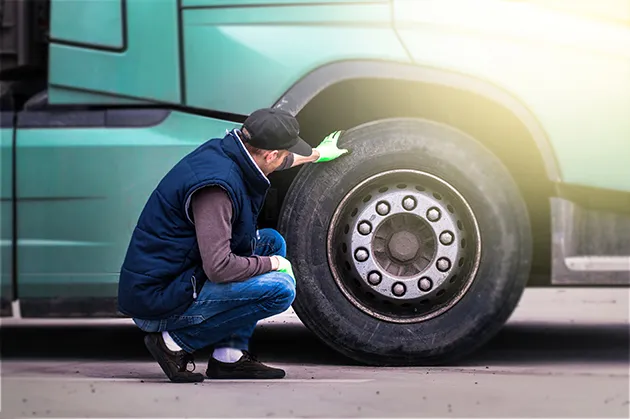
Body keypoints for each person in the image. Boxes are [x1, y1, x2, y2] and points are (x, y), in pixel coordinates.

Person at [117, 107, 348, 383]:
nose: (284, 160)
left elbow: (279, 161)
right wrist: (274, 264)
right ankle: (172, 343)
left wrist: (317, 154)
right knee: (280, 289)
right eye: (283, 155)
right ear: (269, 154)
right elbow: (219, 268)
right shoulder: (217, 188)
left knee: (272, 242)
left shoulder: (229, 151)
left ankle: (229, 357)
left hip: (178, 275)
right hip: (159, 301)